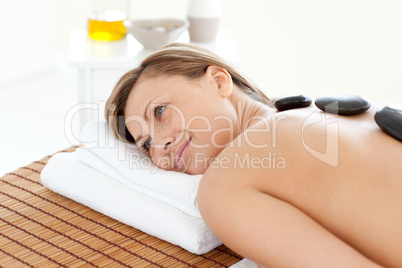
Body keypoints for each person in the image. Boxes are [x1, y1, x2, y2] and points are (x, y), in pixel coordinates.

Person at [105, 43, 402, 268]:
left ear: (219, 81)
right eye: (145, 145)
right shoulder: (330, 112)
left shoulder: (227, 182)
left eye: (159, 112)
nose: (160, 147)